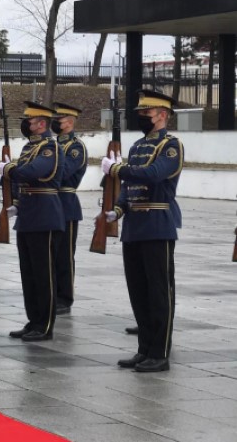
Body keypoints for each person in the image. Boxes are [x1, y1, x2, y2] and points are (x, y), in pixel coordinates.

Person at [104, 90, 182, 373]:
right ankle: (144, 349)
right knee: (138, 290)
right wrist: (118, 209)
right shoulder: (137, 146)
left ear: (162, 115)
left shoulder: (171, 146)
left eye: (146, 113)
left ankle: (160, 353)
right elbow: (128, 188)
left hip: (157, 222)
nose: (142, 117)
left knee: (159, 291)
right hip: (134, 225)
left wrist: (118, 169)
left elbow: (153, 174)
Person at [0, 102, 64, 341]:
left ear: (42, 124)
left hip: (45, 214)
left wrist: (10, 168)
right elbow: (19, 176)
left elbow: (34, 171)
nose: (27, 124)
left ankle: (45, 325)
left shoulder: (50, 148)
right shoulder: (29, 147)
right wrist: (14, 198)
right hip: (27, 213)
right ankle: (33, 319)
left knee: (43, 273)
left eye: (31, 120)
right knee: (29, 273)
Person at [52, 102, 87, 314]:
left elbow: (63, 172)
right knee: (51, 253)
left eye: (60, 119)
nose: (56, 122)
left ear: (70, 122)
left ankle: (64, 298)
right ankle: (52, 292)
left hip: (66, 203)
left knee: (64, 254)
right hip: (50, 203)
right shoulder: (54, 144)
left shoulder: (76, 147)